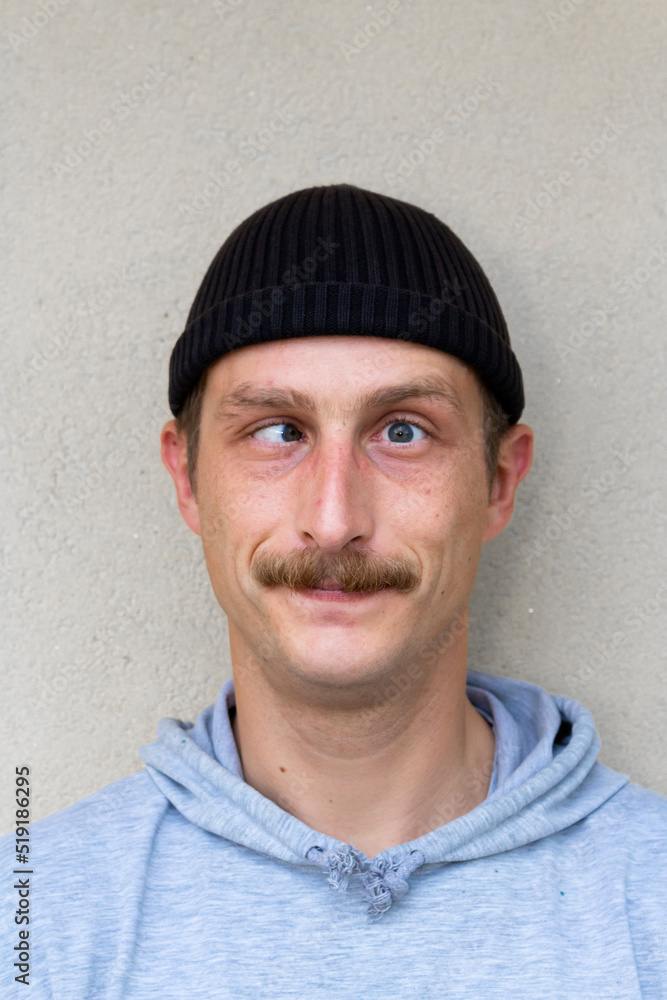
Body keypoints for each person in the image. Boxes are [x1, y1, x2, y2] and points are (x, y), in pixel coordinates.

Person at [2, 183, 666, 998]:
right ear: (188, 478)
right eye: (278, 431)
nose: (333, 519)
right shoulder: (27, 923)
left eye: (402, 431)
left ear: (497, 480)